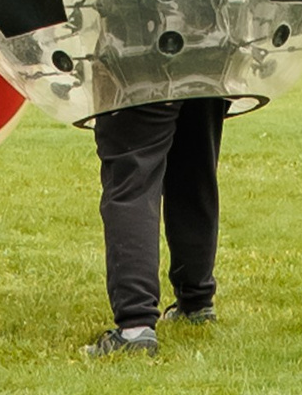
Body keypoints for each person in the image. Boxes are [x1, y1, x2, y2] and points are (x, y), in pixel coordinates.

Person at [83, 97, 228, 358]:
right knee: (194, 169)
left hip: (138, 77)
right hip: (207, 74)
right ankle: (196, 304)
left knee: (132, 180)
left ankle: (135, 328)